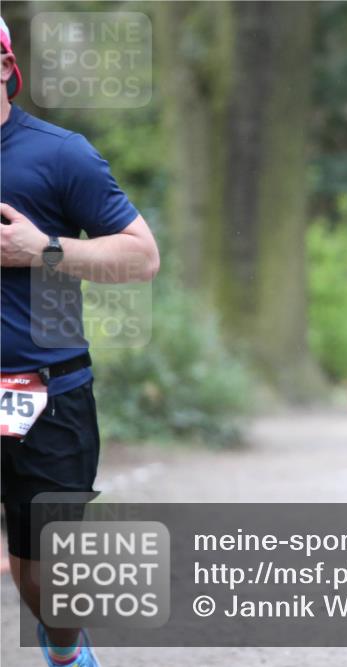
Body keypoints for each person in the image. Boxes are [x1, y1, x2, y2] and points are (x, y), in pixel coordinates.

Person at [1, 16, 160, 667]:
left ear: (6, 67)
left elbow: (142, 257)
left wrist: (44, 250)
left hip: (42, 393)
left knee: (43, 578)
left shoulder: (60, 154)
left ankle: (65, 648)